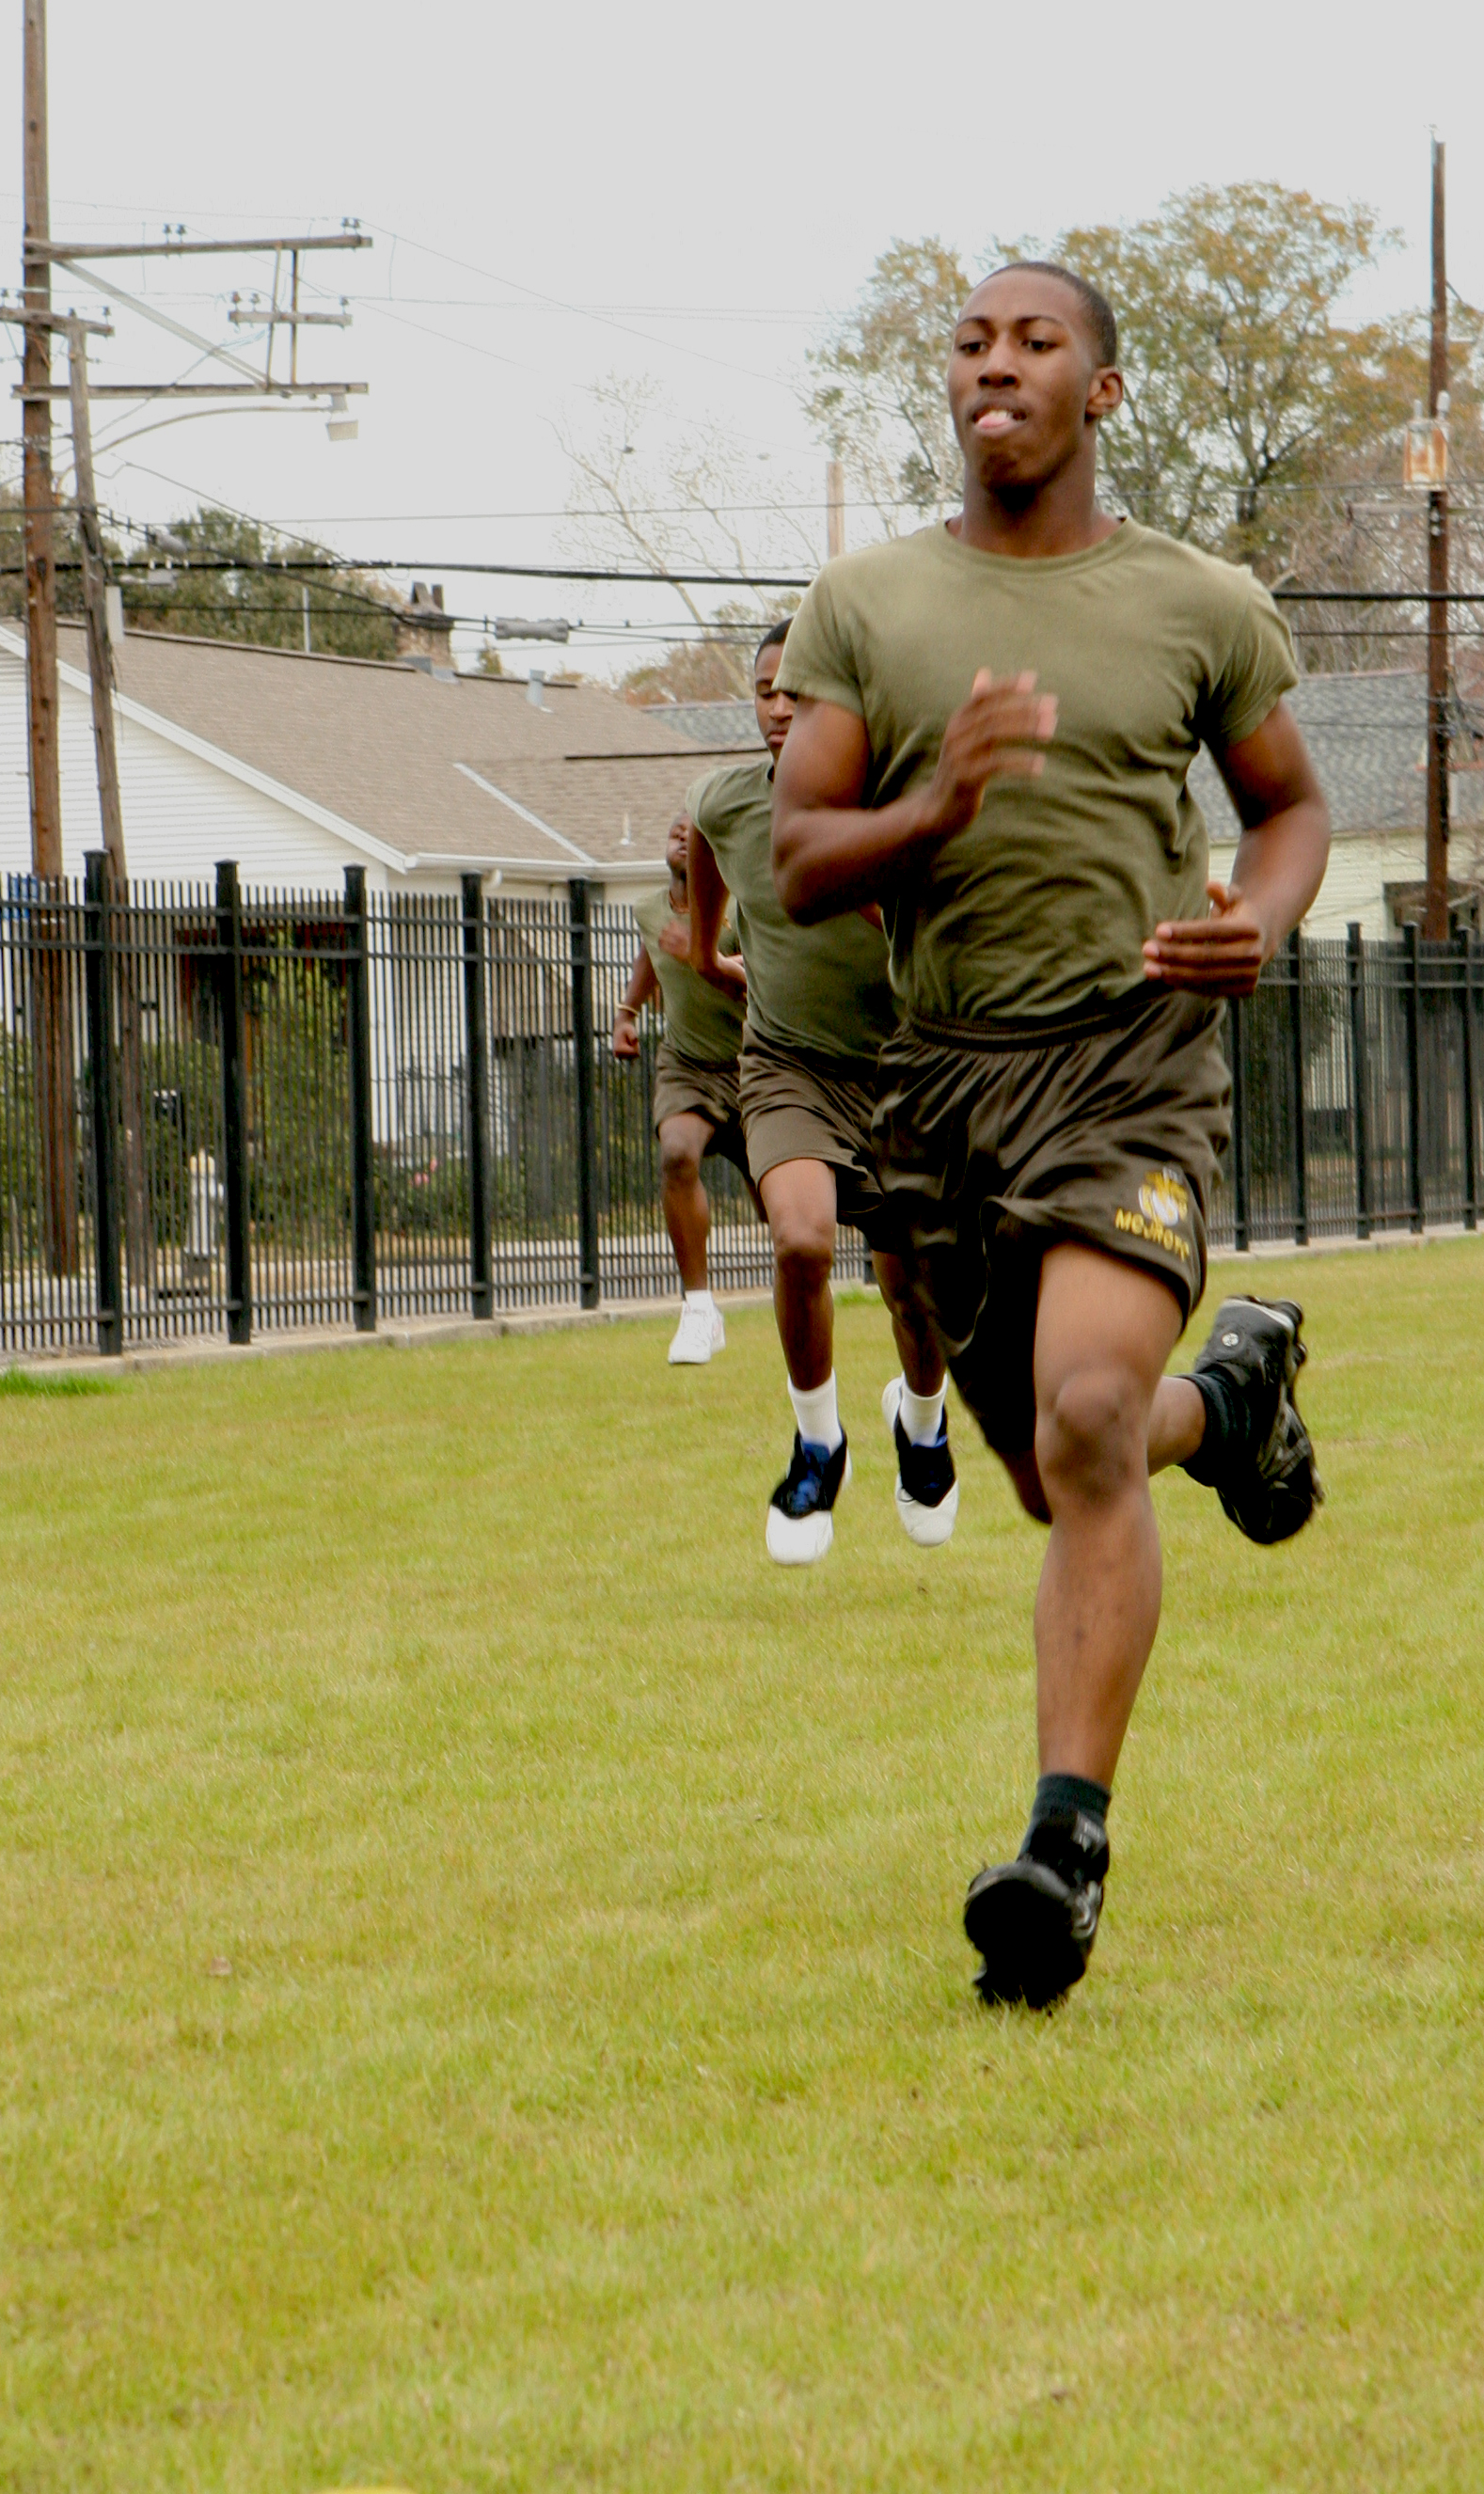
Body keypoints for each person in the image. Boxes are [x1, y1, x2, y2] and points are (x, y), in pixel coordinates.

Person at [771, 260, 1330, 2006]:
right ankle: (1226, 1399)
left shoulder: (1197, 600)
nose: (992, 365)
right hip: (941, 1085)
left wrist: (1266, 914)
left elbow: (1290, 803)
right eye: (968, 343)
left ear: (1100, 390)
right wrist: (934, 801)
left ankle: (1060, 1852)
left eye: (1032, 343)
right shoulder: (865, 602)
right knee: (1045, 1468)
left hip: (1132, 1062)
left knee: (1084, 1417)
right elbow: (797, 853)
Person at [687, 623, 957, 1563]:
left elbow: (935, 924)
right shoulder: (724, 801)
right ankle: (817, 1442)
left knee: (914, 1292)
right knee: (800, 1237)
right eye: (765, 690)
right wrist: (704, 953)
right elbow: (711, 868)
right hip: (789, 1066)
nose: (777, 706)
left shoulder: (889, 803)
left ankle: (922, 1425)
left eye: (796, 691)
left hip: (903, 1075)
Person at [613, 813, 750, 1364]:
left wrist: (703, 956)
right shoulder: (650, 910)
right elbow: (651, 951)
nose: (680, 834)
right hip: (687, 1062)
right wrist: (627, 1012)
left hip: (757, 1064)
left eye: (694, 830)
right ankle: (698, 1309)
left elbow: (762, 976)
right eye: (674, 827)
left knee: (788, 1223)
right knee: (676, 1155)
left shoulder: (741, 907)